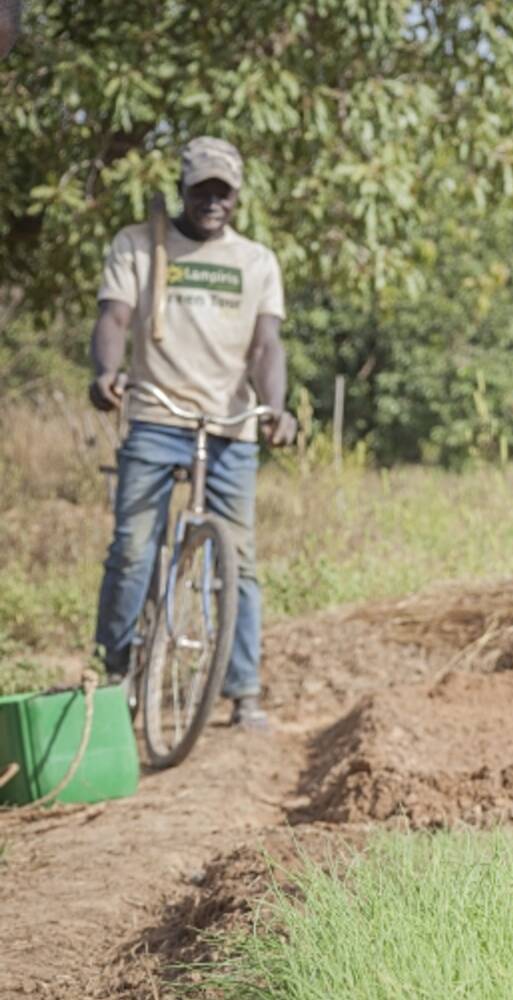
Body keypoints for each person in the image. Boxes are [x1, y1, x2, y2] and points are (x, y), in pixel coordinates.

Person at [89, 137, 297, 733]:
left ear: (236, 198)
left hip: (229, 426)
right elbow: (114, 318)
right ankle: (114, 670)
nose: (212, 202)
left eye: (222, 192)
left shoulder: (256, 261)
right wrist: (106, 373)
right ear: (183, 188)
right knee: (132, 550)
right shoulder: (138, 244)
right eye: (202, 189)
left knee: (240, 559)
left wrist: (274, 409)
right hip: (156, 417)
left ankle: (243, 690)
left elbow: (267, 346)